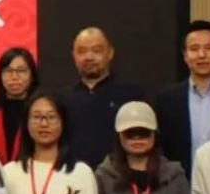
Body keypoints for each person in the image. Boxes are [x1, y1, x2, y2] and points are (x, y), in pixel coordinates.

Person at [153, 20, 210, 178]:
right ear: (185, 55)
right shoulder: (166, 99)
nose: (202, 55)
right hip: (180, 185)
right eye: (194, 49)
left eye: (209, 48)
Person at [58, 27, 145, 167]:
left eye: (96, 50)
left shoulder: (131, 96)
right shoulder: (60, 99)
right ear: (73, 55)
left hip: (118, 176)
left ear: (110, 53)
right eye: (82, 51)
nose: (89, 57)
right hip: (71, 176)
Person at [0, 47, 40, 164]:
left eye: (21, 71)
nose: (14, 77)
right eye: (8, 71)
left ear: (32, 77)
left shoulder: (40, 112)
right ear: (0, 76)